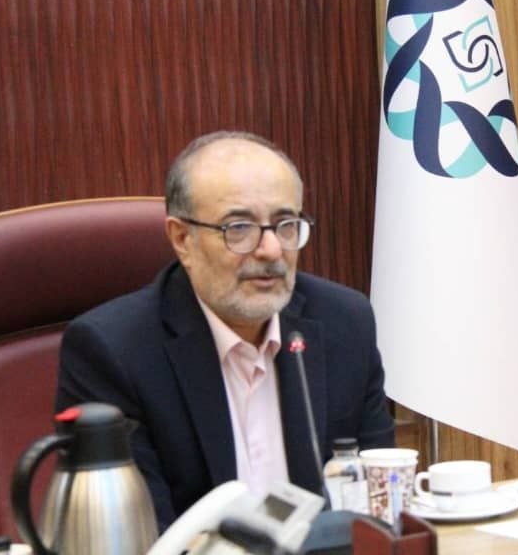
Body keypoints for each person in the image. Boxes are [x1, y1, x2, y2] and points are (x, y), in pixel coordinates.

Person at [55, 131, 394, 530]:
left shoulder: (344, 323)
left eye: (286, 224)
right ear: (182, 239)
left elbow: (379, 507)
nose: (271, 250)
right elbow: (140, 535)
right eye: (239, 228)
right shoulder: (112, 352)